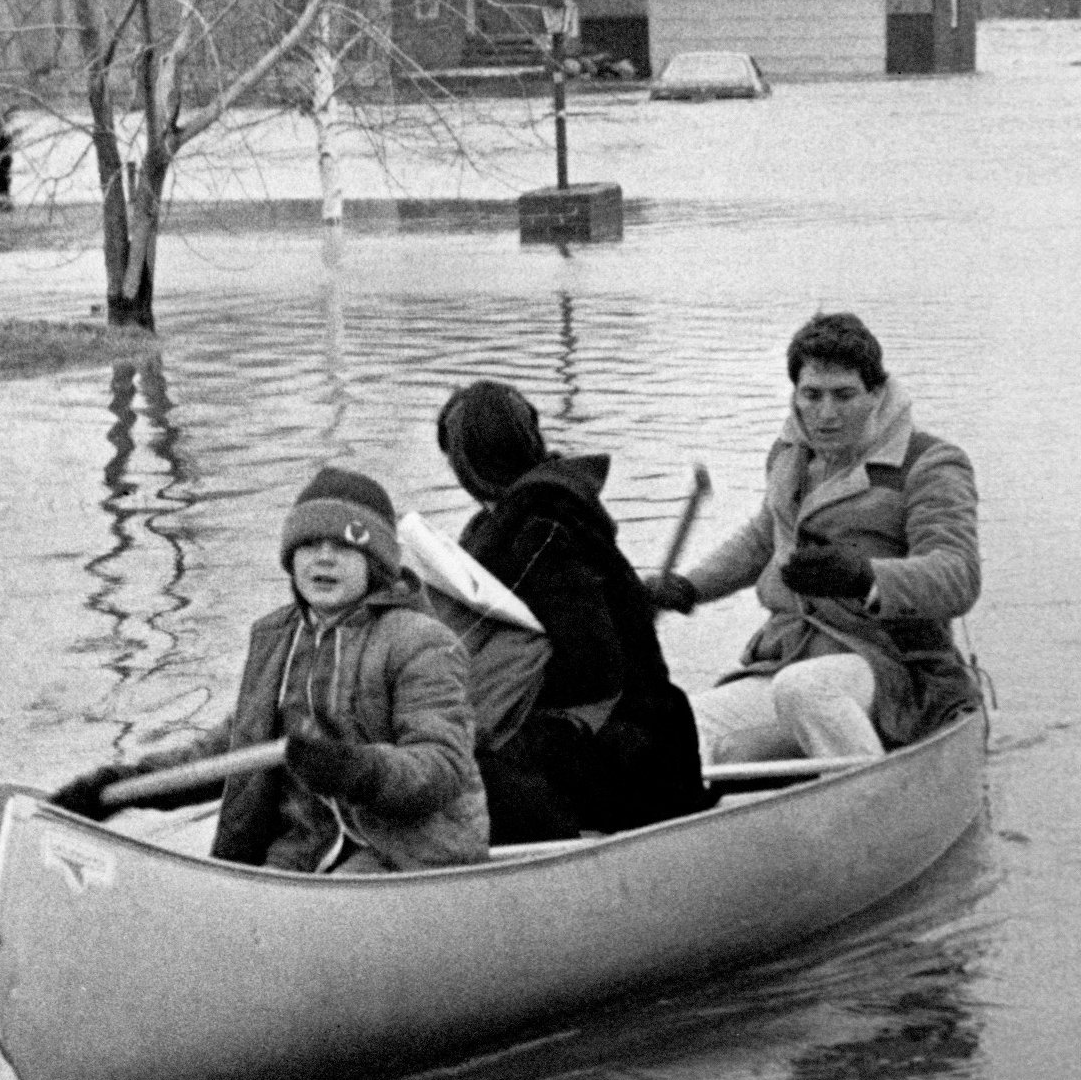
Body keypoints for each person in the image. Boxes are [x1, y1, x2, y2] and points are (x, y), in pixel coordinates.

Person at [50, 466, 489, 873]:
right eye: (310, 545)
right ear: (291, 559)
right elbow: (231, 749)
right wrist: (119, 786)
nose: (323, 559)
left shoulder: (422, 641)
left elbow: (441, 765)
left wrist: (352, 769)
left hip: (402, 852)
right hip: (305, 848)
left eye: (343, 548)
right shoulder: (278, 638)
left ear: (376, 564)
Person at [643, 312, 981, 763]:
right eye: (812, 395)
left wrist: (865, 577)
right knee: (691, 726)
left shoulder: (931, 463)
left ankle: (870, 806)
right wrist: (689, 587)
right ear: (796, 396)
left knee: (806, 690)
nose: (826, 414)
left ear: (876, 394)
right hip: (793, 656)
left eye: (844, 395)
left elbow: (958, 575)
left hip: (896, 668)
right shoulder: (790, 457)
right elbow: (763, 538)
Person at [435, 380, 709, 841]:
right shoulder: (547, 512)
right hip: (643, 723)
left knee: (476, 769)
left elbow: (594, 667)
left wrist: (499, 683)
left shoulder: (541, 530)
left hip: (631, 739)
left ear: (466, 464)